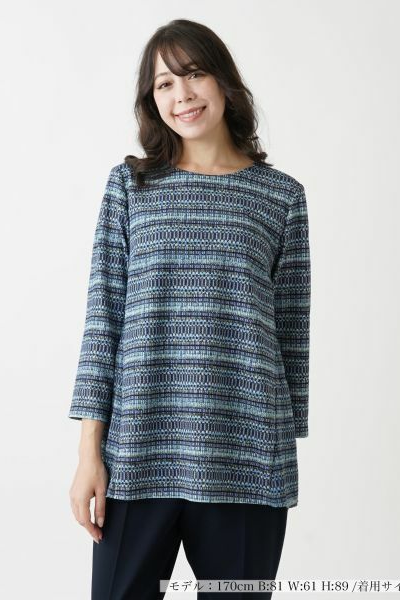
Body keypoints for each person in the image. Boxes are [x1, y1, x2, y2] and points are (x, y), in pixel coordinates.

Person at [68, 18, 311, 600]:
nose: (182, 95)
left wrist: (285, 443)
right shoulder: (130, 188)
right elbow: (103, 320)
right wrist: (89, 454)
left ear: (224, 81)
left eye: (194, 74)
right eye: (165, 84)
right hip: (138, 449)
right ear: (152, 100)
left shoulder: (281, 196)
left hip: (246, 456)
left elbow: (291, 332)